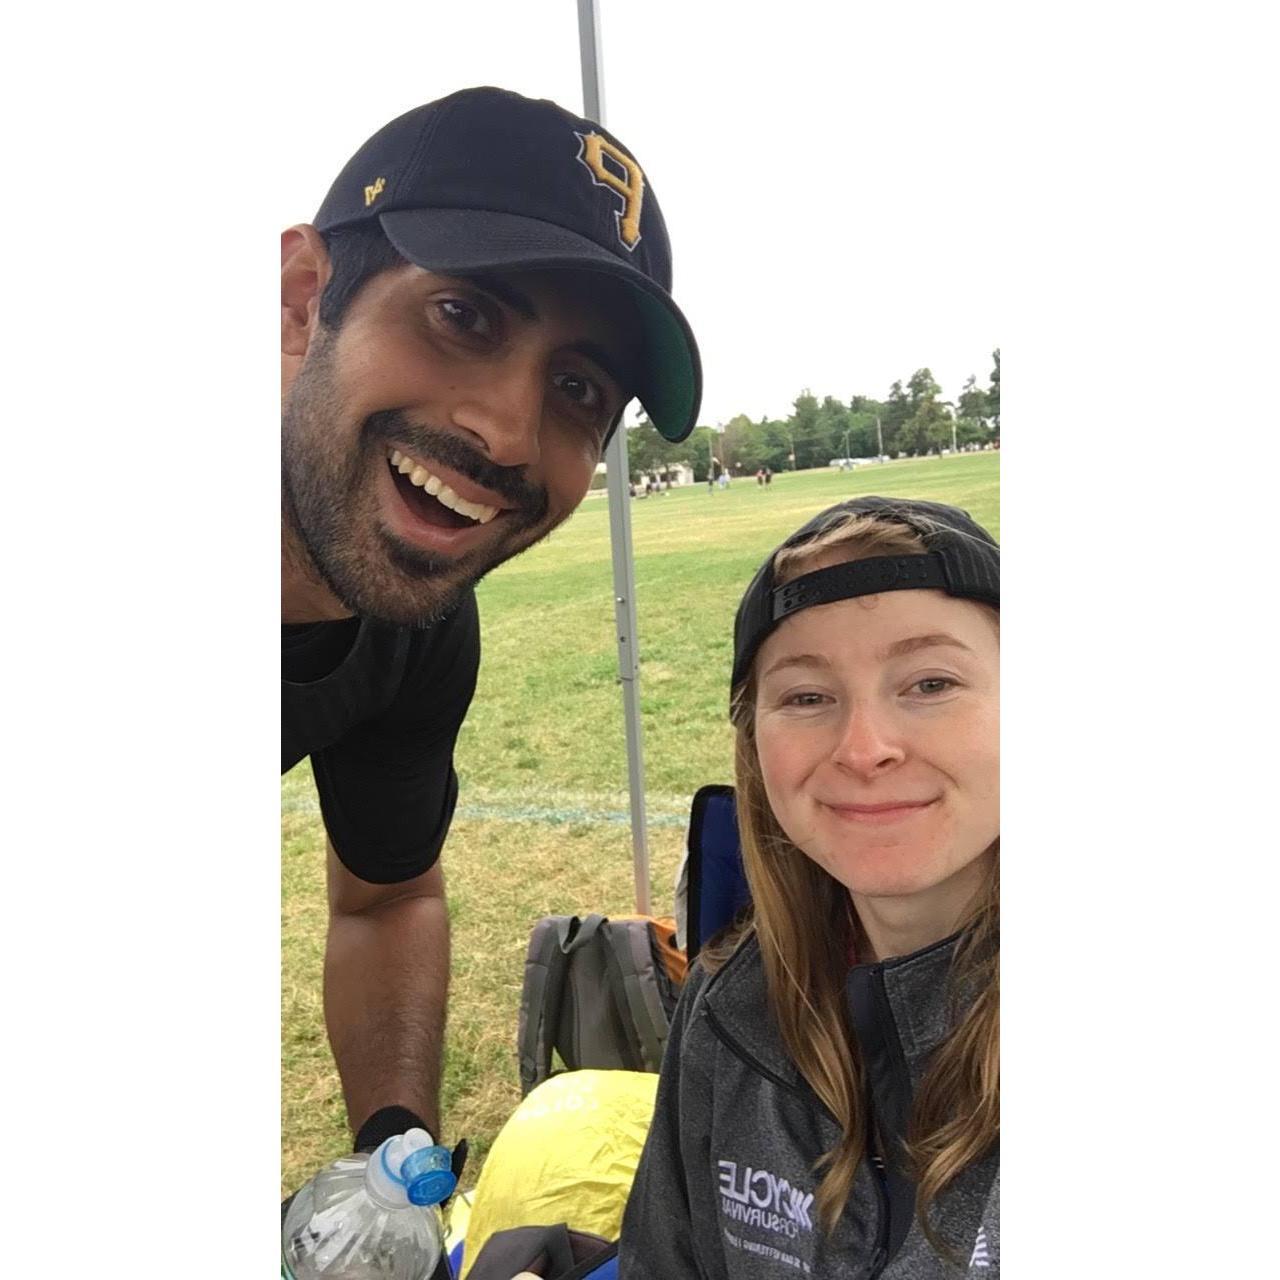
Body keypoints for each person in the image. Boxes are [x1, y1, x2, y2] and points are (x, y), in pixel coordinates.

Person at [282, 86, 701, 1170]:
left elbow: (385, 896)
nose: (509, 433)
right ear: (298, 301)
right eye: (462, 315)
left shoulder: (416, 625)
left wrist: (394, 1159)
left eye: (575, 387)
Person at [620, 496, 999, 1277]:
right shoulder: (729, 1003)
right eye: (806, 697)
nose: (865, 749)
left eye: (930, 682)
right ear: (754, 741)